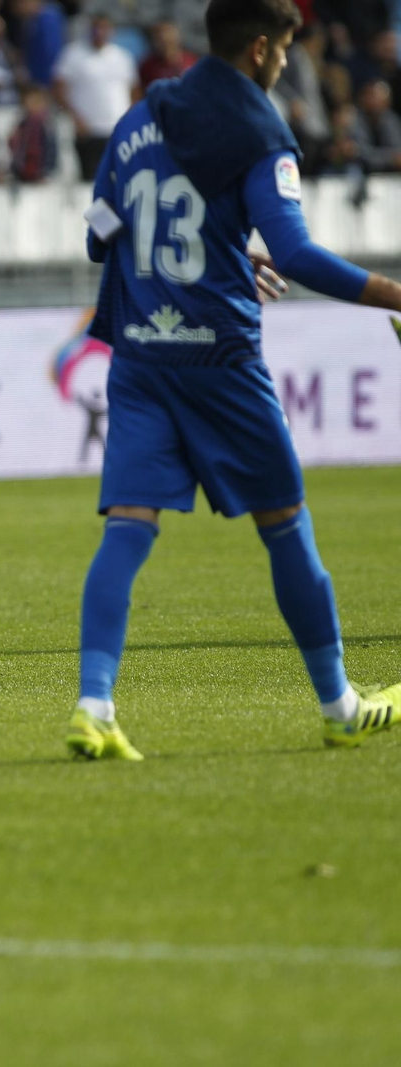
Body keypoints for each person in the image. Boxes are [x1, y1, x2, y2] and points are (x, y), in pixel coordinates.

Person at [68, 0, 401, 759]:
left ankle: (94, 706)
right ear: (259, 49)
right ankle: (338, 703)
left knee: (128, 527)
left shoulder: (142, 113)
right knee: (285, 525)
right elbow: (297, 254)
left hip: (141, 353)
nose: (286, 63)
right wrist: (394, 293)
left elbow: (99, 232)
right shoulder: (259, 130)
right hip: (219, 358)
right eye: (285, 50)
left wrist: (218, 245)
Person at [53, 15, 138, 180]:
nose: (100, 32)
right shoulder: (73, 54)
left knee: (118, 178)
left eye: (105, 28)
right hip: (87, 130)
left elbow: (134, 91)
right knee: (90, 180)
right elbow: (58, 90)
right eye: (96, 27)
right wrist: (75, 118)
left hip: (116, 130)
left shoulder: (122, 57)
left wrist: (128, 121)